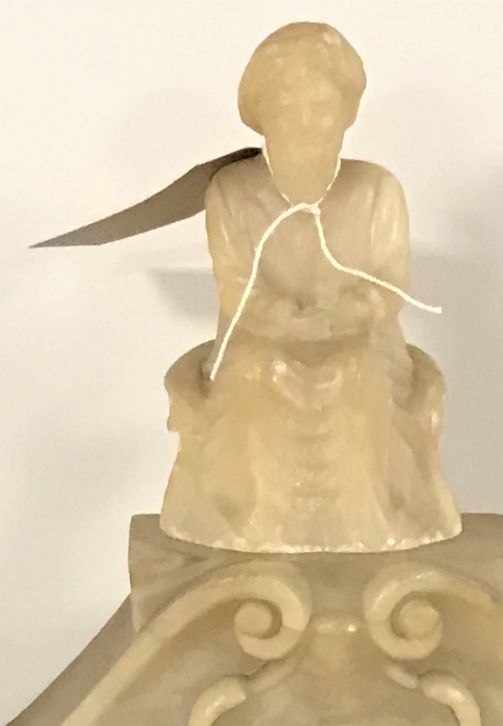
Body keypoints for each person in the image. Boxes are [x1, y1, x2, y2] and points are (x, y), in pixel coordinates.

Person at [159, 21, 461, 554]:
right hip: (258, 343)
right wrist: (286, 320)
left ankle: (372, 526)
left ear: (347, 113)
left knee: (354, 375)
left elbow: (390, 284)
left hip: (363, 343)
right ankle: (243, 522)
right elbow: (237, 288)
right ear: (264, 116)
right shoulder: (233, 193)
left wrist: (347, 312)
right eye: (288, 106)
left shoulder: (376, 192)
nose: (307, 123)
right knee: (260, 374)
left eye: (322, 106)